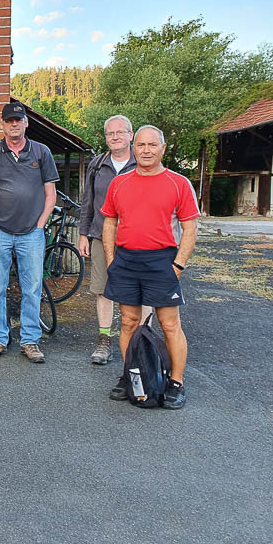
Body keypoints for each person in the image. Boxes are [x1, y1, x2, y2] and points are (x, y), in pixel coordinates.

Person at [102, 125, 199, 410]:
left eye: (152, 145)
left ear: (163, 148)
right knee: (129, 322)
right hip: (126, 260)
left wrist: (178, 265)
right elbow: (109, 221)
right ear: (134, 148)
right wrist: (111, 260)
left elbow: (190, 228)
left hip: (162, 261)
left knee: (170, 324)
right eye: (141, 145)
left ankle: (176, 383)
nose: (146, 150)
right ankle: (130, 375)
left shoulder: (178, 183)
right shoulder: (119, 182)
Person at [0, 101, 59, 364]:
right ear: (2, 125)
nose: (14, 125)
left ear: (26, 123)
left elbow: (50, 192)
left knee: (32, 288)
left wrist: (41, 223)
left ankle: (30, 340)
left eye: (18, 120)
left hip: (31, 233)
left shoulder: (41, 152)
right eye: (9, 121)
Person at [78, 115, 151, 365]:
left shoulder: (143, 162)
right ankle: (104, 339)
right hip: (101, 236)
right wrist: (83, 233)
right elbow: (88, 200)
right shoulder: (97, 165)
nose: (115, 137)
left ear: (131, 135)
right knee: (103, 290)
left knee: (141, 291)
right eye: (110, 133)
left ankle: (143, 341)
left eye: (121, 132)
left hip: (139, 239)